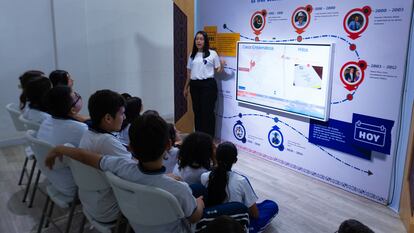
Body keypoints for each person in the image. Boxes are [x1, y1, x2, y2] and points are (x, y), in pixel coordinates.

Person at [45, 113, 205, 232]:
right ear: (169, 145)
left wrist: (60, 148)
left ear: (130, 147)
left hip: (139, 223)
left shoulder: (120, 166)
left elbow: (86, 157)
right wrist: (200, 202)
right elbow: (194, 217)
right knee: (206, 195)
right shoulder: (178, 188)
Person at [77, 89, 130, 223]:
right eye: (122, 114)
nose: (124, 118)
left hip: (90, 202)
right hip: (109, 208)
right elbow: (134, 172)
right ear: (107, 118)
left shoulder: (88, 133)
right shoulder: (106, 141)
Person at [201, 142, 278, 233]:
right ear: (235, 160)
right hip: (235, 227)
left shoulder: (204, 176)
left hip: (212, 222)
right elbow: (255, 214)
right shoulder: (241, 181)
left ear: (216, 157)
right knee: (271, 205)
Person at [37, 86, 88, 196]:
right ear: (72, 109)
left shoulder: (46, 121)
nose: (79, 97)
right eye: (76, 96)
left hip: (54, 178)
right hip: (75, 185)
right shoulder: (80, 129)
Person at [184, 31, 224, 138]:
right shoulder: (192, 55)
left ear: (205, 41)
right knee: (197, 112)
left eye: (201, 39)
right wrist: (186, 87)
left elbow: (218, 70)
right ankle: (199, 136)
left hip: (208, 86)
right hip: (194, 86)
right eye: (197, 39)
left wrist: (222, 65)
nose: (199, 41)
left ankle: (209, 138)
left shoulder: (212, 54)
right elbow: (189, 73)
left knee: (208, 112)